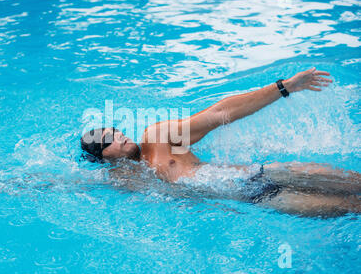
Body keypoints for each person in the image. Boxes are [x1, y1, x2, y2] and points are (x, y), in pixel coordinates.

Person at [80, 68, 360, 216]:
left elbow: (218, 114)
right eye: (108, 139)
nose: (118, 134)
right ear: (102, 157)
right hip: (258, 199)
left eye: (114, 129)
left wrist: (284, 87)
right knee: (352, 208)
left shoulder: (157, 138)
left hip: (260, 174)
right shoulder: (125, 181)